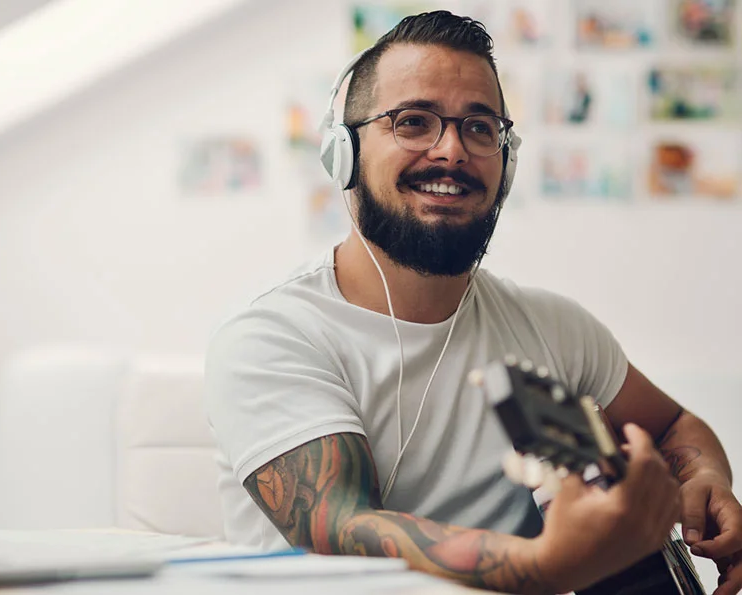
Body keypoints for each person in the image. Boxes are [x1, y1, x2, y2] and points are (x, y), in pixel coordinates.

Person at [204, 10, 742, 595]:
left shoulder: (555, 328)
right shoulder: (273, 334)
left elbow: (674, 427)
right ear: (344, 155)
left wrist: (705, 479)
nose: (452, 150)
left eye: (480, 128)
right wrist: (544, 565)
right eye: (413, 122)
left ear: (506, 166)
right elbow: (339, 524)